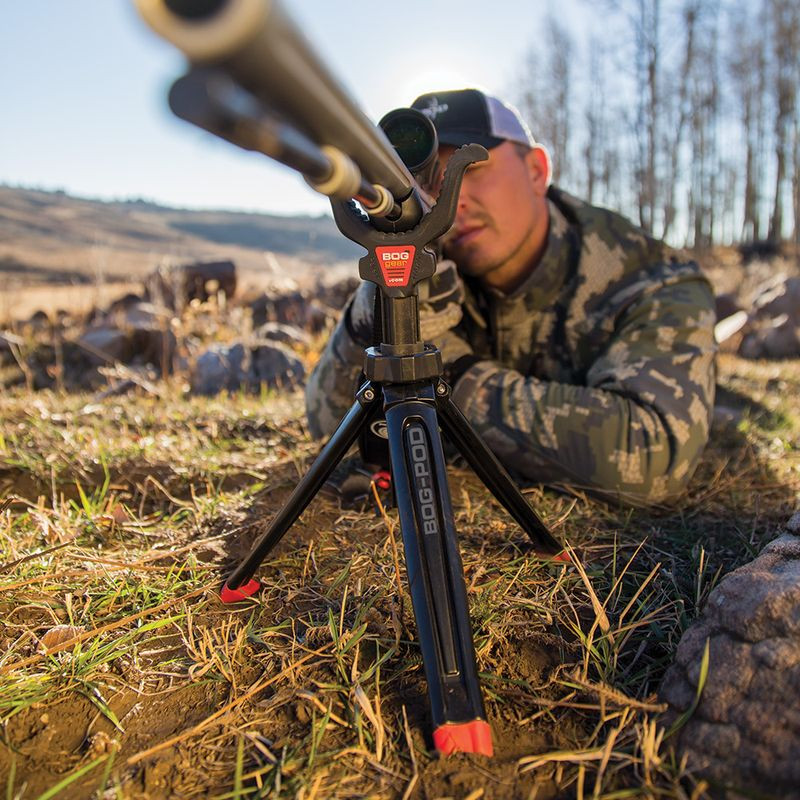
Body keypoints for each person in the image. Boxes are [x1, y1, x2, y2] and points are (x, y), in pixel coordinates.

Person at [306, 88, 716, 507]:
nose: (452, 198)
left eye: (471, 167)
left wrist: (447, 372)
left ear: (537, 170)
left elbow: (649, 458)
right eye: (426, 184)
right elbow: (325, 423)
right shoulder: (431, 265)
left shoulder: (649, 276)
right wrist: (372, 325)